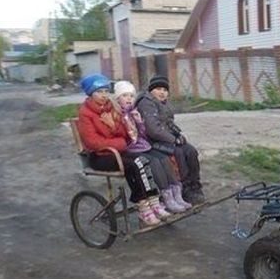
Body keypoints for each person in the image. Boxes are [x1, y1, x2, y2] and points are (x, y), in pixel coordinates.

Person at [76, 74, 161, 227]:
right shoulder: (85, 113)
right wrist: (120, 142)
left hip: (116, 152)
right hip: (99, 157)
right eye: (99, 92)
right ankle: (143, 206)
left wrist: (113, 126)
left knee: (142, 160)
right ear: (90, 93)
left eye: (106, 91)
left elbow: (124, 134)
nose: (104, 95)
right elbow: (92, 142)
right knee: (134, 165)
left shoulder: (112, 108)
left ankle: (153, 200)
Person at [112, 81, 191, 216]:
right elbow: (121, 136)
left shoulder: (133, 112)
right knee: (153, 162)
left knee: (163, 158)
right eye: (124, 95)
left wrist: (139, 122)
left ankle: (175, 195)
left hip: (141, 146)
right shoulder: (117, 114)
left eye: (131, 96)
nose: (129, 99)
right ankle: (166, 198)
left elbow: (143, 134)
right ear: (117, 98)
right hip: (129, 149)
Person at [136, 75, 205, 205]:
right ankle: (184, 187)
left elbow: (169, 123)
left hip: (166, 139)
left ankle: (194, 185)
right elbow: (153, 130)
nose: (162, 92)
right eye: (158, 89)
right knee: (178, 153)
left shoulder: (163, 104)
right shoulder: (146, 103)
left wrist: (178, 135)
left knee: (191, 151)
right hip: (151, 142)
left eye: (165, 90)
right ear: (151, 90)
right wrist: (173, 139)